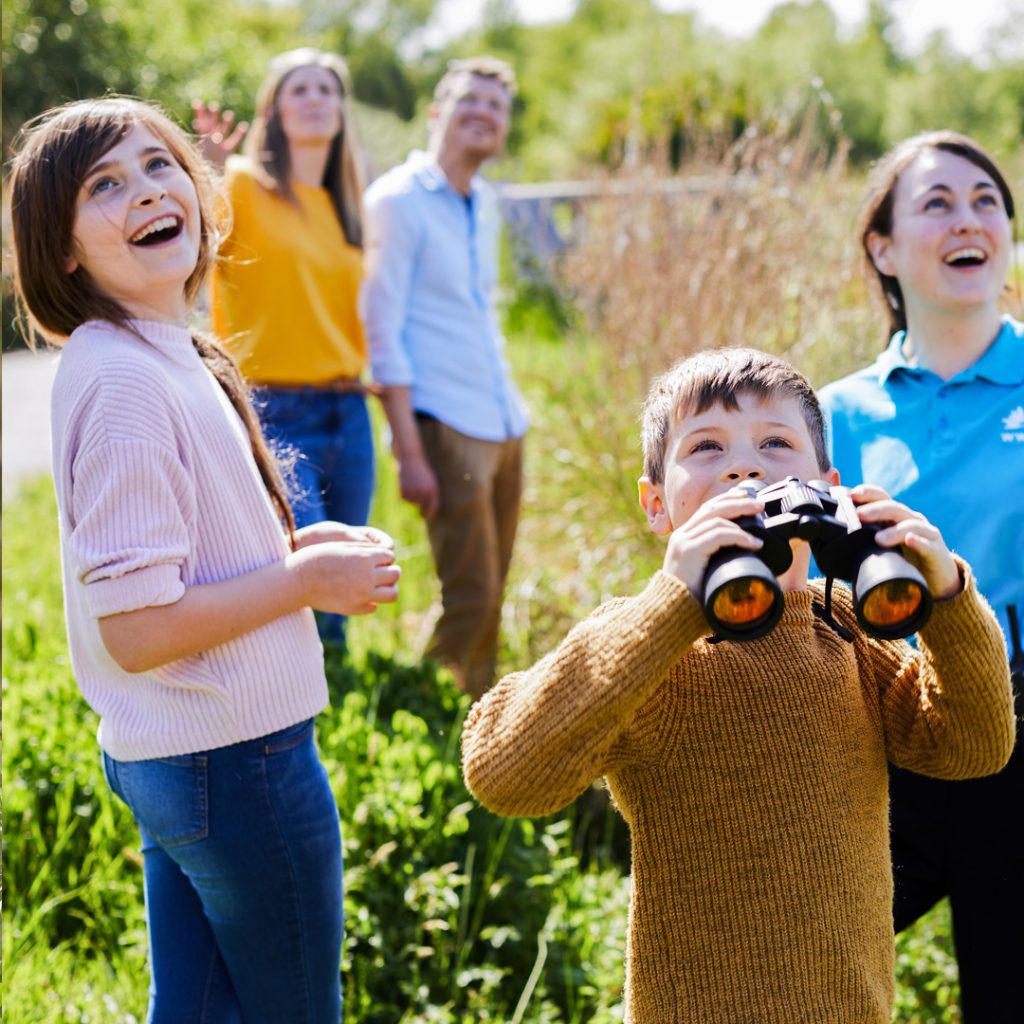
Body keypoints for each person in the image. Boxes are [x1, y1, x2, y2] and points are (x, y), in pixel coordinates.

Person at [461, 347, 1015, 1022]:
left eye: (776, 443)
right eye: (707, 446)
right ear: (656, 504)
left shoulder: (848, 631)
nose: (745, 467)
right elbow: (504, 775)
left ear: (828, 485)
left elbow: (975, 745)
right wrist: (671, 603)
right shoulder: (645, 647)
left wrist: (949, 597)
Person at [8, 97, 401, 1023]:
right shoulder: (125, 383)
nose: (146, 190)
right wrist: (303, 584)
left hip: (194, 754)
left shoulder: (164, 349)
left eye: (157, 164)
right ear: (62, 249)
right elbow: (140, 630)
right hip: (233, 760)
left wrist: (289, 549)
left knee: (197, 1012)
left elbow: (183, 563)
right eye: (105, 184)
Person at [819, 130, 1024, 1022]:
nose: (967, 219)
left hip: (1017, 747)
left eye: (986, 202)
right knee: (811, 977)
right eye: (936, 203)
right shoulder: (825, 413)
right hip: (875, 747)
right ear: (884, 248)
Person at [361, 56, 529, 698]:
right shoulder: (397, 201)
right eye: (470, 101)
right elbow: (381, 329)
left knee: (492, 586)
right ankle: (441, 719)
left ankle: (461, 696)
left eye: (497, 106)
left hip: (503, 418)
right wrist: (408, 451)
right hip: (443, 422)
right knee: (473, 592)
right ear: (436, 113)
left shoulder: (484, 203)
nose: (484, 114)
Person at [197, 48, 374, 642]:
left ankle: (345, 693)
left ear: (342, 111)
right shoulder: (241, 183)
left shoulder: (348, 207)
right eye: (300, 89)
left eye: (327, 89)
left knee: (351, 570)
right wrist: (203, 173)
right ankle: (309, 702)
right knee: (307, 573)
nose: (316, 99)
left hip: (348, 409)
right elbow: (191, 249)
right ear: (274, 110)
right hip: (272, 408)